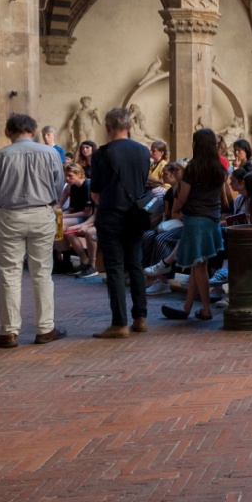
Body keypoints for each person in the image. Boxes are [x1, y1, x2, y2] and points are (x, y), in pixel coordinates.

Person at [0, 113, 69, 349]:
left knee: (9, 274)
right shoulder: (50, 154)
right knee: (42, 273)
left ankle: (8, 332)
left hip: (9, 215)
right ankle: (45, 328)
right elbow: (58, 188)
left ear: (8, 132)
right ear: (34, 131)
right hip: (41, 213)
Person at [90, 107, 153, 337]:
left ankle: (119, 323)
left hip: (111, 217)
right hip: (136, 216)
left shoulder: (101, 154)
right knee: (135, 264)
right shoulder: (143, 151)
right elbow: (142, 181)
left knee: (115, 268)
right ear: (130, 126)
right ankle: (141, 317)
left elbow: (95, 191)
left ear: (107, 128)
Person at [163, 128, 229, 321]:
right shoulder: (219, 168)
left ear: (197, 144)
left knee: (199, 265)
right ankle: (187, 306)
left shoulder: (193, 168)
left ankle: (206, 309)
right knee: (198, 264)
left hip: (196, 219)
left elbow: (183, 197)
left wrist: (177, 209)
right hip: (212, 218)